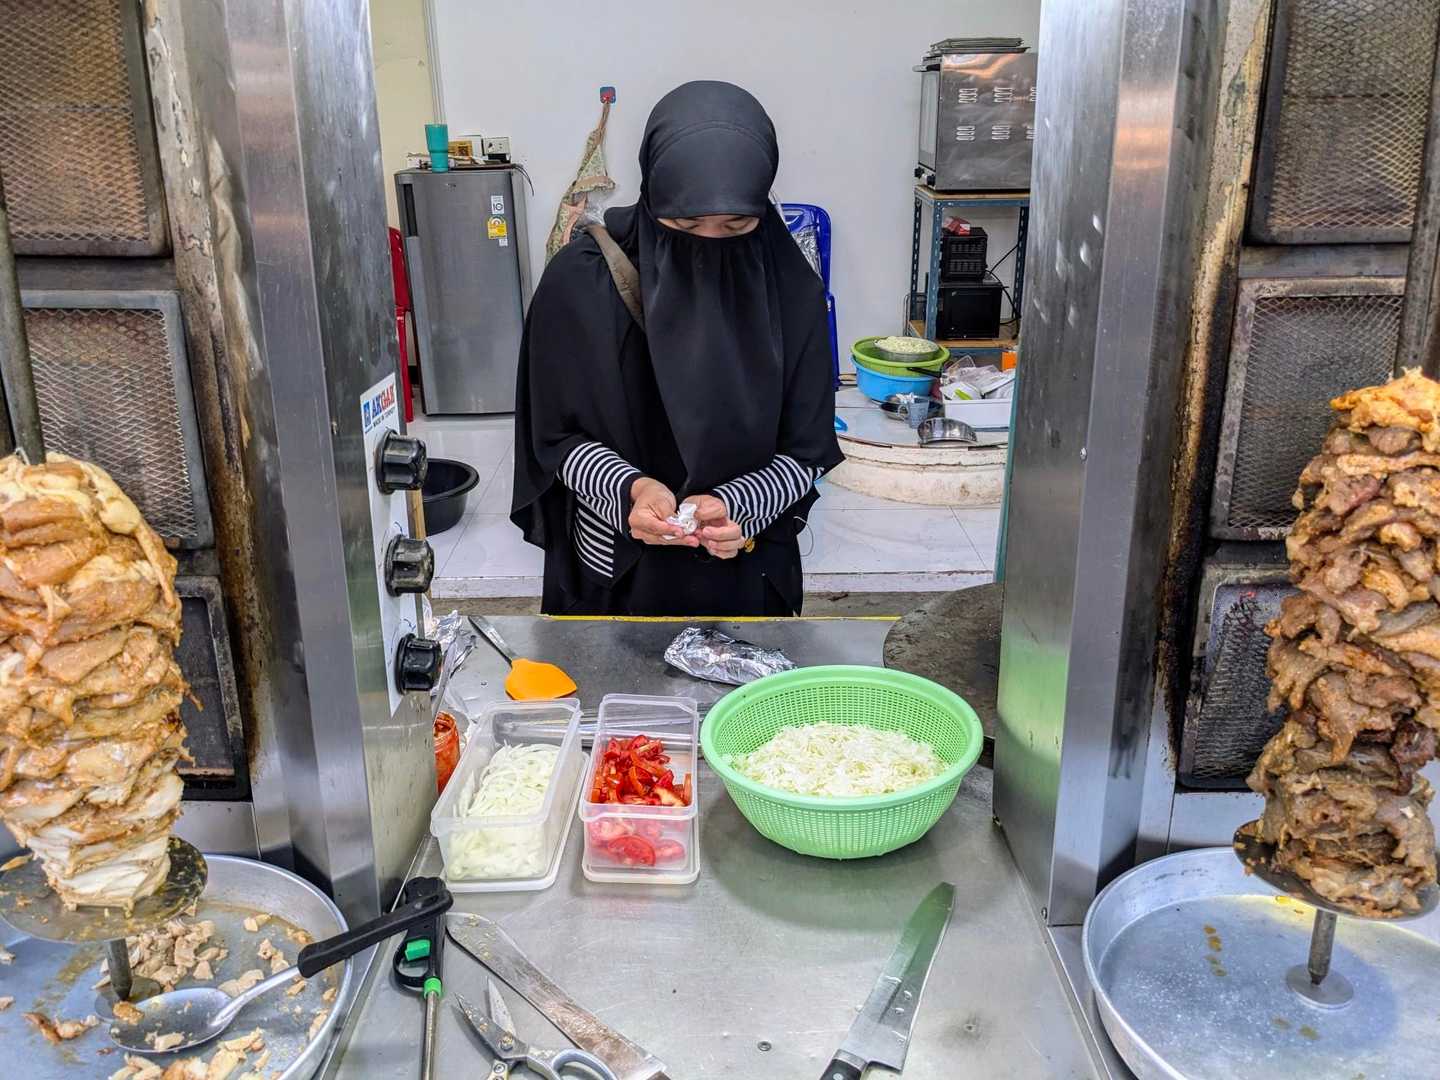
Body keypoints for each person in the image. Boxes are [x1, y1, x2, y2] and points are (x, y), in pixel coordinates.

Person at [511, 81, 843, 616]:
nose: (710, 240)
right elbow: (553, 439)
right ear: (654, 199)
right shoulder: (581, 283)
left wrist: (742, 505)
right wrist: (631, 490)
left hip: (747, 566)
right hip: (615, 572)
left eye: (736, 224)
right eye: (686, 224)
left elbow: (807, 450)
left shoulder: (787, 287)